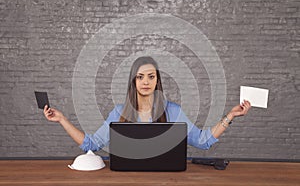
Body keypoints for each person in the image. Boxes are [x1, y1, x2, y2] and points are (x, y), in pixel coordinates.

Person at [44, 56, 251, 152]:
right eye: (140, 77)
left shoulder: (173, 111)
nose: (145, 82)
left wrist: (230, 116)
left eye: (151, 77)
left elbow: (203, 141)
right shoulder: (119, 112)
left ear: (156, 80)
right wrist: (62, 119)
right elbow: (90, 144)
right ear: (133, 81)